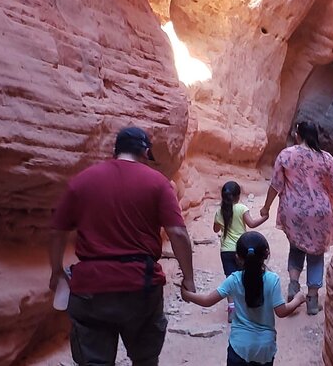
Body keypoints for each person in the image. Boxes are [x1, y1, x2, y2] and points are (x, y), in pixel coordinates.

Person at [48, 126, 196, 366]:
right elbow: (177, 233)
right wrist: (188, 278)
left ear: (115, 150)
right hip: (141, 286)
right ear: (145, 152)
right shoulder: (158, 183)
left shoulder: (82, 181)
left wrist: (56, 271)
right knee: (145, 359)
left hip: (91, 288)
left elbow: (57, 232)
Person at [260, 121, 333, 315]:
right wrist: (329, 203)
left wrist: (266, 208)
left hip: (294, 212)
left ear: (298, 135)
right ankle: (313, 300)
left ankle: (293, 286)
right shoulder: (326, 159)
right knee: (316, 254)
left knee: (296, 247)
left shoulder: (286, 155)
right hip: (320, 213)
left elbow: (276, 185)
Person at [182, 231, 305, 366]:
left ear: (238, 257)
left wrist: (187, 294)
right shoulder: (272, 280)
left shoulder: (234, 279)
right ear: (267, 254)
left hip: (239, 346)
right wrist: (297, 299)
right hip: (264, 348)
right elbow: (281, 311)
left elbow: (207, 301)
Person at [214, 181, 269, 322]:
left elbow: (215, 229)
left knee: (230, 277)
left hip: (226, 250)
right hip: (241, 248)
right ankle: (247, 305)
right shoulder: (241, 208)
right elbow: (251, 224)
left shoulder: (220, 211)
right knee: (246, 275)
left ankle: (232, 308)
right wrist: (264, 217)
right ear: (238, 196)